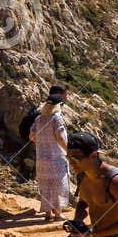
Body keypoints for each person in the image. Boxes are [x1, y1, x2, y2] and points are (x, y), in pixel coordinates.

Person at [30, 86, 70, 221]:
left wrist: (42, 144)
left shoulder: (39, 119)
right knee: (58, 185)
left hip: (41, 158)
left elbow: (31, 136)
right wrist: (67, 150)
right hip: (56, 157)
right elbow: (59, 136)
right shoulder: (56, 118)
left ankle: (48, 214)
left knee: (45, 186)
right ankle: (58, 213)